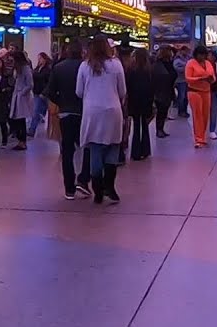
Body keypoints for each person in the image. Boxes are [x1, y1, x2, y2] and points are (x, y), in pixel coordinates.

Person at [77, 38, 126, 204]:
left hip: (92, 112)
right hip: (113, 110)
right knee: (113, 148)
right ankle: (110, 188)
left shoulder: (84, 66)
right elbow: (122, 90)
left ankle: (97, 191)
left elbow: (79, 91)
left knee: (95, 150)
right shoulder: (116, 65)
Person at [47, 41, 91, 199]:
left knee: (67, 151)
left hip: (65, 112)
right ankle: (84, 179)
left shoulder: (58, 68)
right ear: (82, 52)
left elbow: (50, 92)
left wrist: (61, 103)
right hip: (84, 112)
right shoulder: (86, 67)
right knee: (87, 147)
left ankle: (69, 188)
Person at [125, 48, 155, 161]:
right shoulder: (149, 71)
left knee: (136, 126)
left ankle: (135, 151)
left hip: (134, 102)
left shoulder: (130, 70)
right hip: (146, 101)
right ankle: (145, 150)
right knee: (145, 126)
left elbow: (127, 87)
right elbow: (152, 88)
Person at [184, 46, 215, 148]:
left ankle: (203, 136)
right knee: (197, 115)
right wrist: (200, 78)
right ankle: (198, 139)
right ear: (196, 54)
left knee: (205, 115)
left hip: (206, 91)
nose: (202, 56)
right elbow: (188, 78)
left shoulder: (208, 63)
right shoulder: (190, 63)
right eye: (200, 54)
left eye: (203, 54)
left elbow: (213, 77)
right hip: (194, 92)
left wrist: (210, 79)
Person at [8, 50, 34, 151]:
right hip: (17, 95)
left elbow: (30, 84)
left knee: (20, 119)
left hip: (21, 97)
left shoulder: (25, 69)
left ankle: (22, 142)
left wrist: (22, 92)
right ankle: (20, 139)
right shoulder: (17, 69)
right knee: (15, 119)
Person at [151, 47, 176, 139]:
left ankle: (161, 128)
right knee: (161, 111)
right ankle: (159, 129)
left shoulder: (169, 63)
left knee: (164, 110)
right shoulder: (158, 65)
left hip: (168, 89)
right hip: (160, 91)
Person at [28, 52, 52, 138]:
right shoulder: (37, 68)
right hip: (37, 92)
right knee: (37, 111)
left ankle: (32, 129)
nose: (39, 60)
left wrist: (45, 92)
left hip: (43, 93)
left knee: (38, 111)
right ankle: (32, 129)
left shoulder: (47, 70)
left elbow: (48, 82)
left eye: (41, 58)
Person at [173, 46, 190, 119]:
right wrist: (186, 68)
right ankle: (181, 111)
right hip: (180, 80)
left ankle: (185, 110)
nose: (186, 52)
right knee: (181, 96)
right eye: (185, 51)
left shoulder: (188, 58)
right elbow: (176, 68)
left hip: (187, 80)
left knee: (186, 97)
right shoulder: (177, 59)